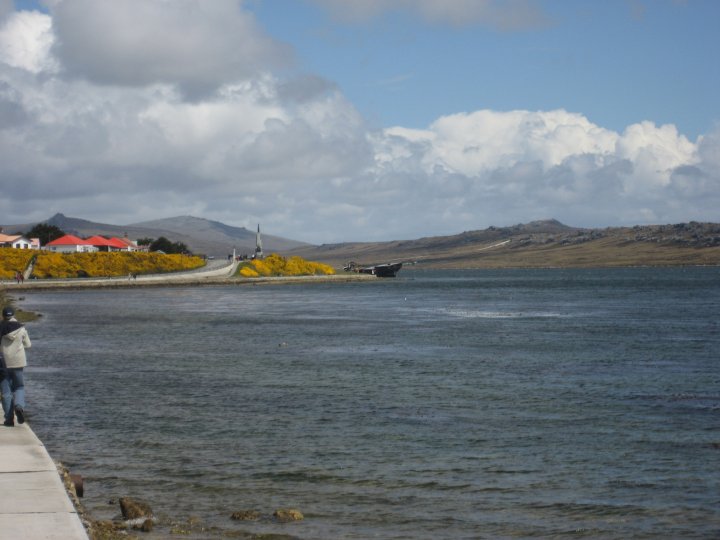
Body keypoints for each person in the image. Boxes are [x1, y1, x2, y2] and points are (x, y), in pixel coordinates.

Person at [0, 306, 32, 427]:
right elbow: (28, 345)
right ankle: (19, 406)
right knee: (19, 387)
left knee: (6, 392)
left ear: (3, 316)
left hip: (3, 363)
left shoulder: (0, 327)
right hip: (18, 362)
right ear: (13, 315)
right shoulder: (21, 328)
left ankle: (9, 420)